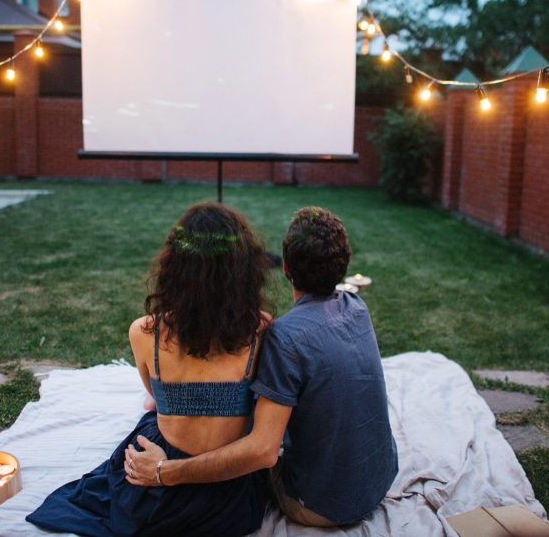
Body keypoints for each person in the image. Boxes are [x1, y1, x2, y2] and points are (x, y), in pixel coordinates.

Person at [127, 206, 398, 528]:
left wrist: (163, 472)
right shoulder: (356, 307)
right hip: (378, 481)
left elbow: (262, 452)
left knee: (215, 431)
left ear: (285, 268)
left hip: (318, 504)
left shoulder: (283, 338)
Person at [26, 201, 274, 537]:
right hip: (227, 496)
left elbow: (153, 393)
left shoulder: (143, 333)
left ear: (175, 267)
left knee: (152, 412)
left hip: (159, 493)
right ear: (245, 269)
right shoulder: (262, 329)